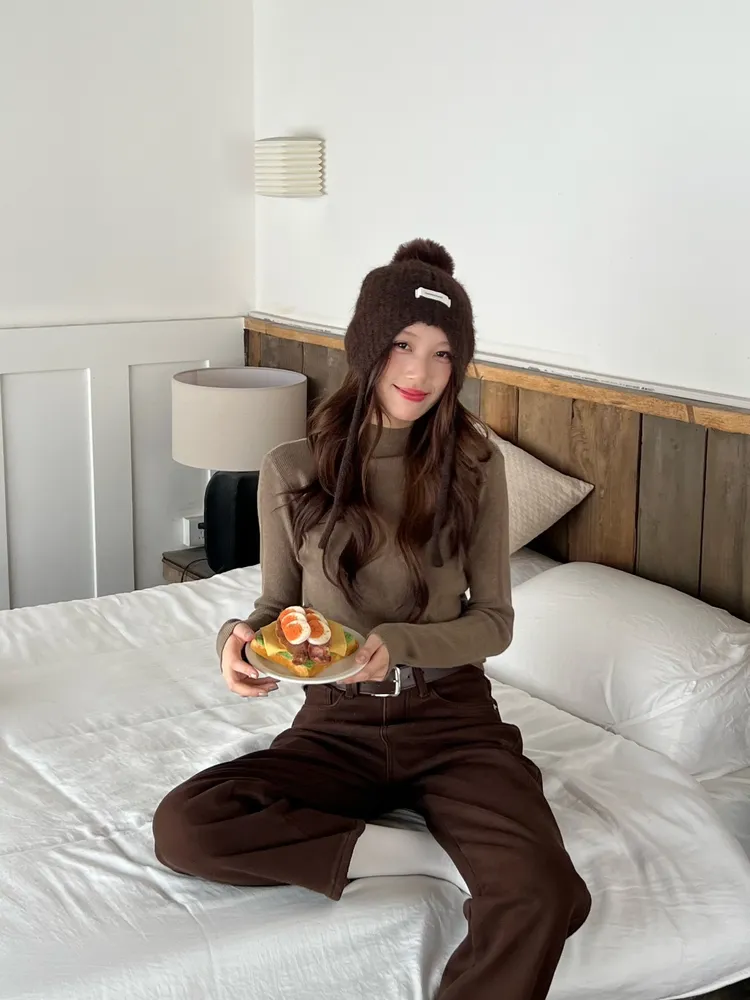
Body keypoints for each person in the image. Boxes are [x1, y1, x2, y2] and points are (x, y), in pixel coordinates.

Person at [153, 239, 591, 999]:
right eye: (402, 345)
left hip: (453, 722)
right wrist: (235, 641)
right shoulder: (292, 467)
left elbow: (494, 622)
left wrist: (399, 645)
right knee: (187, 826)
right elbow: (276, 608)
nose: (421, 372)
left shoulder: (476, 465)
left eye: (444, 354)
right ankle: (415, 856)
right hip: (337, 723)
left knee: (545, 893)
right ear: (367, 346)